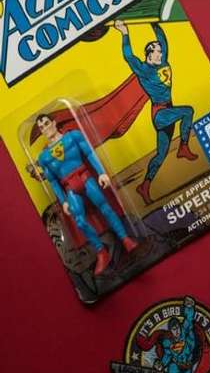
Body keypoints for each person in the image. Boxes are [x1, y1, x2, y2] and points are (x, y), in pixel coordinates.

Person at [36, 114, 138, 275]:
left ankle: (125, 239)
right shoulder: (44, 157)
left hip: (85, 177)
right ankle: (101, 252)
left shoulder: (73, 137)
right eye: (41, 127)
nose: (45, 128)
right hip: (69, 187)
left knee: (105, 208)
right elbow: (53, 181)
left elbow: (90, 154)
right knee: (80, 221)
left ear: (54, 123)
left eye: (46, 123)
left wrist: (101, 173)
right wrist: (63, 201)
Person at [115, 20, 198, 205]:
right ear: (149, 53)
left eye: (161, 51)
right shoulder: (144, 70)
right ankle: (183, 147)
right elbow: (129, 56)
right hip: (160, 113)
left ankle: (144, 186)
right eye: (158, 51)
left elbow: (163, 40)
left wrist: (154, 23)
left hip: (169, 108)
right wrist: (125, 33)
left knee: (160, 155)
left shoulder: (163, 60)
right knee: (188, 111)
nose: (161, 53)